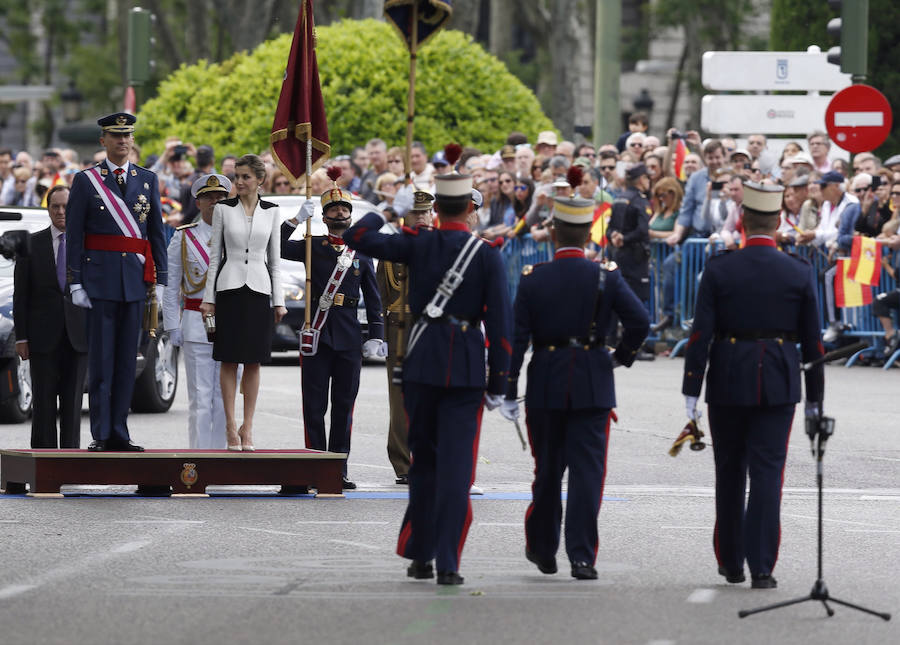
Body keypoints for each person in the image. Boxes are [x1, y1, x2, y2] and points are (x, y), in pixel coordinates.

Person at [344, 163, 512, 586]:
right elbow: (502, 327)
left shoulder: (419, 242)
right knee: (457, 468)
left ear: (435, 207)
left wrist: (384, 209)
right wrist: (500, 384)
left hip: (420, 363)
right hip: (468, 368)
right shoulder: (487, 255)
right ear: (469, 209)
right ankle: (448, 562)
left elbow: (356, 237)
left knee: (424, 466)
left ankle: (420, 553)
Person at [682, 181, 825, 590]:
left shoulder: (719, 267)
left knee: (729, 471)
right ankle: (761, 565)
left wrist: (692, 388)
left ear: (742, 221)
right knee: (767, 473)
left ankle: (731, 560)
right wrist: (815, 399)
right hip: (779, 378)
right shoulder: (797, 270)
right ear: (779, 221)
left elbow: (700, 334)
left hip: (728, 374)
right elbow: (813, 342)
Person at [502, 195, 649, 580]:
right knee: (588, 473)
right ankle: (582, 557)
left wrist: (508, 385)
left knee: (547, 471)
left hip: (547, 379)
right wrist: (621, 356)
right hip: (592, 378)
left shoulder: (534, 277)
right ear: (588, 233)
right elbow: (641, 322)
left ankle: (543, 548)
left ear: (552, 232)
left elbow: (517, 340)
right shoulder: (607, 274)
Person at [65, 113, 168, 452]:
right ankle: (101, 432)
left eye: (127, 136)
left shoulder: (148, 180)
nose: (123, 141)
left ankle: (120, 431)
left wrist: (162, 282)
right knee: (101, 362)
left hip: (135, 283)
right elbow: (75, 236)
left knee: (127, 361)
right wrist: (75, 282)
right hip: (98, 282)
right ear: (103, 141)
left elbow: (155, 234)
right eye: (115, 136)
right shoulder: (86, 181)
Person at [280, 172, 384, 490]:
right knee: (314, 406)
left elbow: (374, 294)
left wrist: (377, 333)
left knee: (343, 407)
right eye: (333, 210)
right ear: (324, 216)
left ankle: (338, 467)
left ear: (351, 216)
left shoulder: (362, 252)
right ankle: (315, 465)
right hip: (317, 334)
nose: (339, 213)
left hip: (350, 337)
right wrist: (296, 219)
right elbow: (279, 245)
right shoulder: (311, 244)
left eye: (344, 209)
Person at [200, 154, 287, 451]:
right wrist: (208, 300)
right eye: (237, 176)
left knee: (254, 360)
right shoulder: (223, 209)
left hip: (260, 290)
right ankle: (229, 424)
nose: (239, 181)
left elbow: (275, 261)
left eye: (246, 177)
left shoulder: (272, 211)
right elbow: (214, 259)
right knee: (228, 358)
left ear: (260, 179)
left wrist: (280, 301)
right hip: (229, 288)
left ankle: (247, 427)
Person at [13, 184, 88, 448]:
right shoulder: (31, 245)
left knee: (73, 403)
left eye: (65, 206)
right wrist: (21, 337)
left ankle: (70, 462)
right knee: (44, 404)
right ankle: (43, 464)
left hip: (78, 336)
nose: (60, 212)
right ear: (48, 209)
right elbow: (20, 296)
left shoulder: (87, 245)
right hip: (42, 338)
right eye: (55, 206)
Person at [163, 174, 232, 449]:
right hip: (195, 322)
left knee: (223, 397)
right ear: (198, 202)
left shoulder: (237, 236)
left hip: (230, 323)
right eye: (208, 197)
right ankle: (201, 459)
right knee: (201, 398)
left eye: (220, 197)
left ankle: (221, 459)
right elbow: (170, 287)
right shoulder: (183, 238)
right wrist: (172, 326)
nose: (214, 202)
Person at [376, 190, 435, 485]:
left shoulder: (441, 247)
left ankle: (430, 457)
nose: (422, 218)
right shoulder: (392, 251)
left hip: (431, 327)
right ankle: (402, 462)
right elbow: (382, 296)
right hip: (399, 325)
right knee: (399, 398)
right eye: (416, 213)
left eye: (426, 212)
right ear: (405, 216)